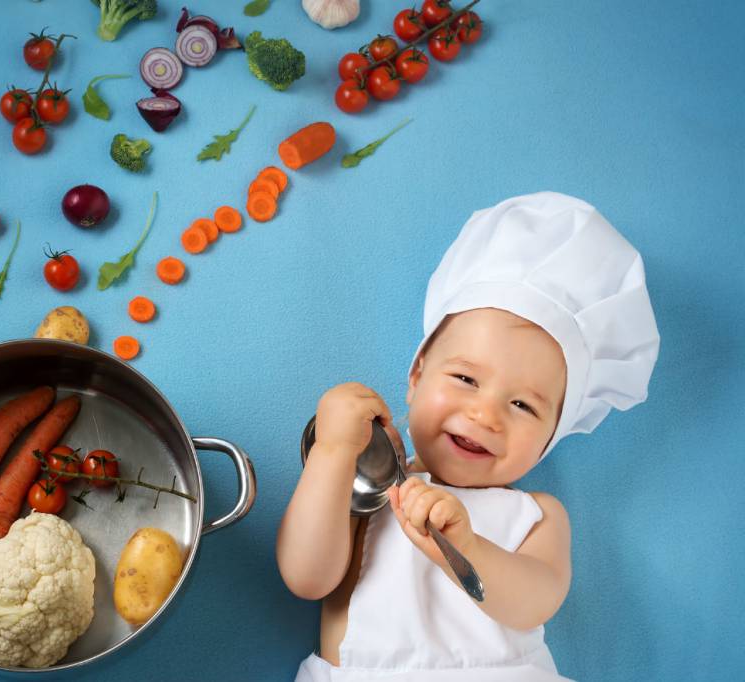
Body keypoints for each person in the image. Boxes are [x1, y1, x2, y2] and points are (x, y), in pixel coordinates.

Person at [277, 192, 660, 681]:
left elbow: (533, 604)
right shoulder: (372, 490)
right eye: (465, 379)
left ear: (553, 435)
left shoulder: (538, 515)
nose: (485, 414)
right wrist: (332, 453)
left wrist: (467, 548)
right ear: (417, 374)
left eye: (523, 405)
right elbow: (306, 577)